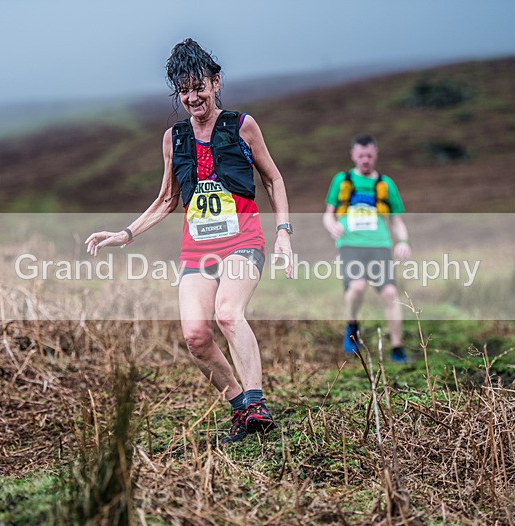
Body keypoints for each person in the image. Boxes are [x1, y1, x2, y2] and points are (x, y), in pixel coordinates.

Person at [86, 39, 293, 445]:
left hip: (243, 238)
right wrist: (124, 233)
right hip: (198, 248)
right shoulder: (173, 138)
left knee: (228, 314)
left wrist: (284, 233)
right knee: (196, 337)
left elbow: (273, 178)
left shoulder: (242, 125)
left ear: (216, 83)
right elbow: (167, 198)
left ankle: (257, 405)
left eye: (199, 87)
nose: (192, 97)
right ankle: (240, 408)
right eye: (184, 91)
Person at [322, 134, 411, 362]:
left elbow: (397, 221)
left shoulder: (385, 184)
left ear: (376, 155)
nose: (365, 159)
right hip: (350, 245)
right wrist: (332, 226)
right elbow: (328, 215)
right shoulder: (342, 181)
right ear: (353, 155)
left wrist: (403, 242)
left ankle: (397, 348)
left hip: (380, 245)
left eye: (369, 155)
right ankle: (352, 325)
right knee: (358, 287)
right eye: (361, 155)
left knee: (391, 293)